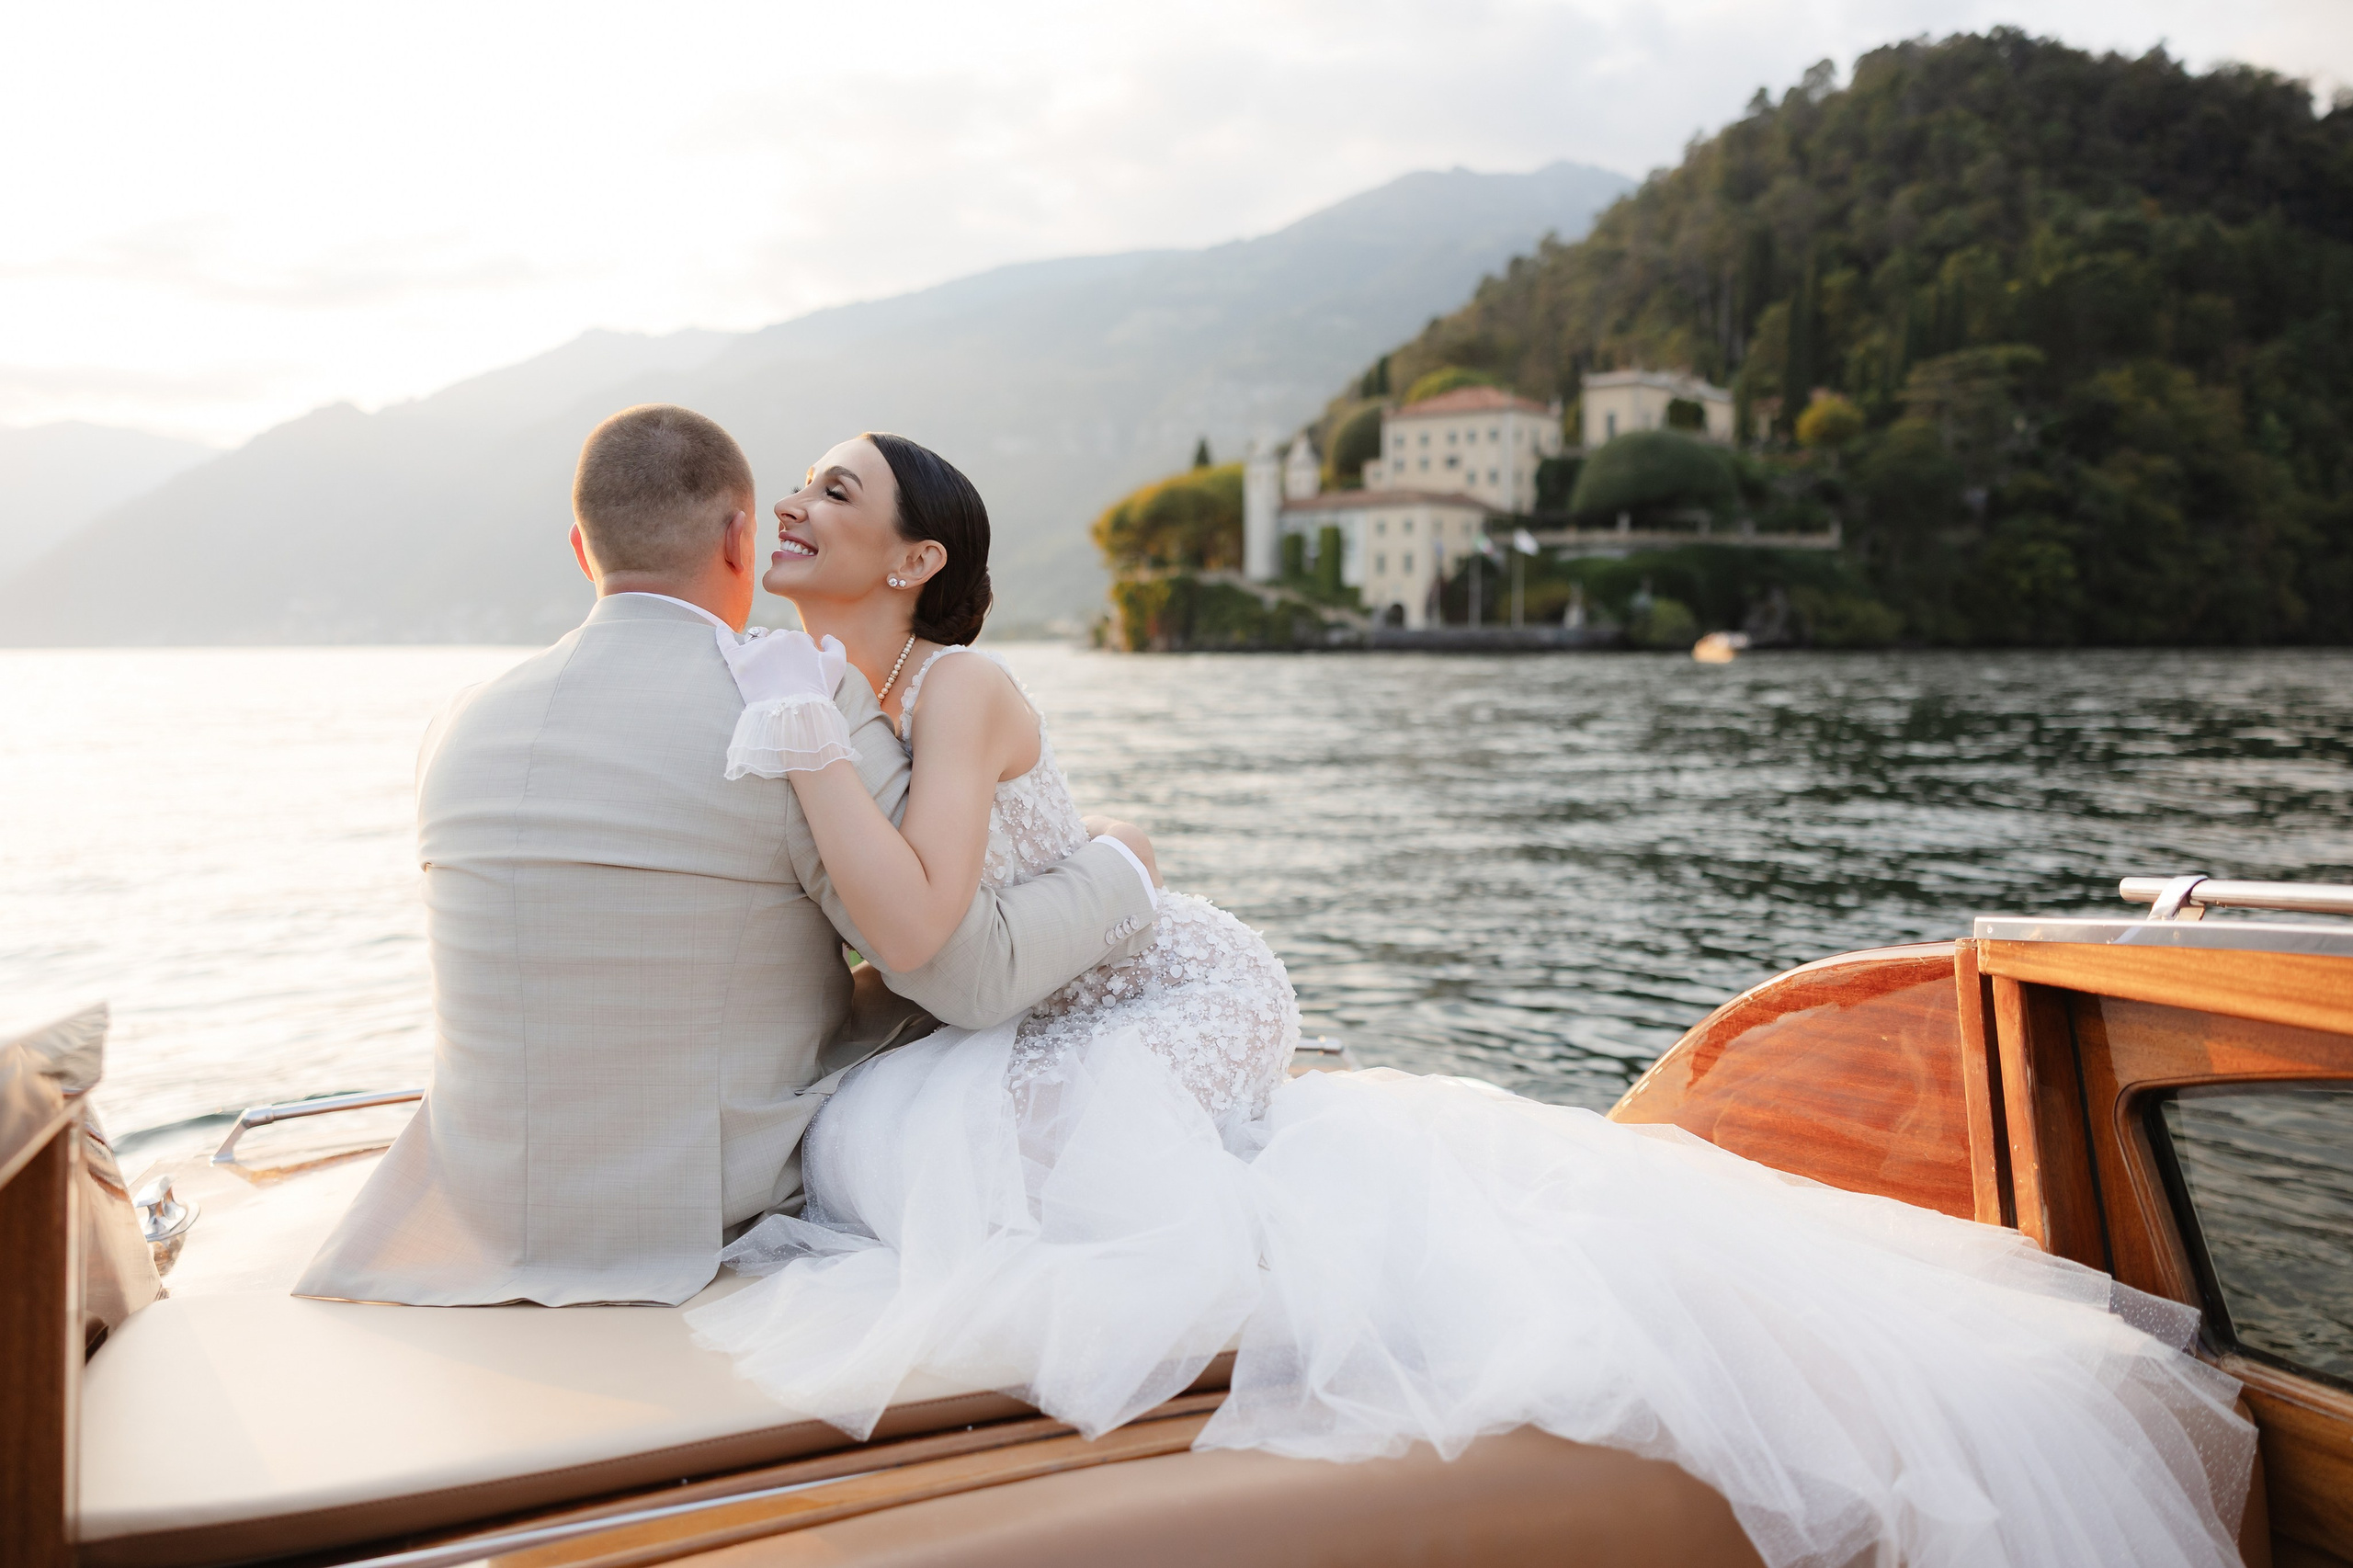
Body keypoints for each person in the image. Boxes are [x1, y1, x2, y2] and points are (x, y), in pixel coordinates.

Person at [689, 430, 2256, 1568]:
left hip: (1179, 978)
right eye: (801, 483)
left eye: (839, 489)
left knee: (1084, 1183)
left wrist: (1017, 838)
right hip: (1050, 996)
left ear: (918, 561)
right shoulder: (827, 688)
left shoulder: (959, 689)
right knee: (955, 1157)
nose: (799, 505)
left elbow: (931, 937)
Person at [294, 405, 1161, 1307]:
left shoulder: (458, 722)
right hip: (699, 1206)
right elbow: (951, 963)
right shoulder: (793, 702)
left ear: (583, 551)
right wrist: (1125, 855)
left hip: (478, 1206)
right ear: (742, 538)